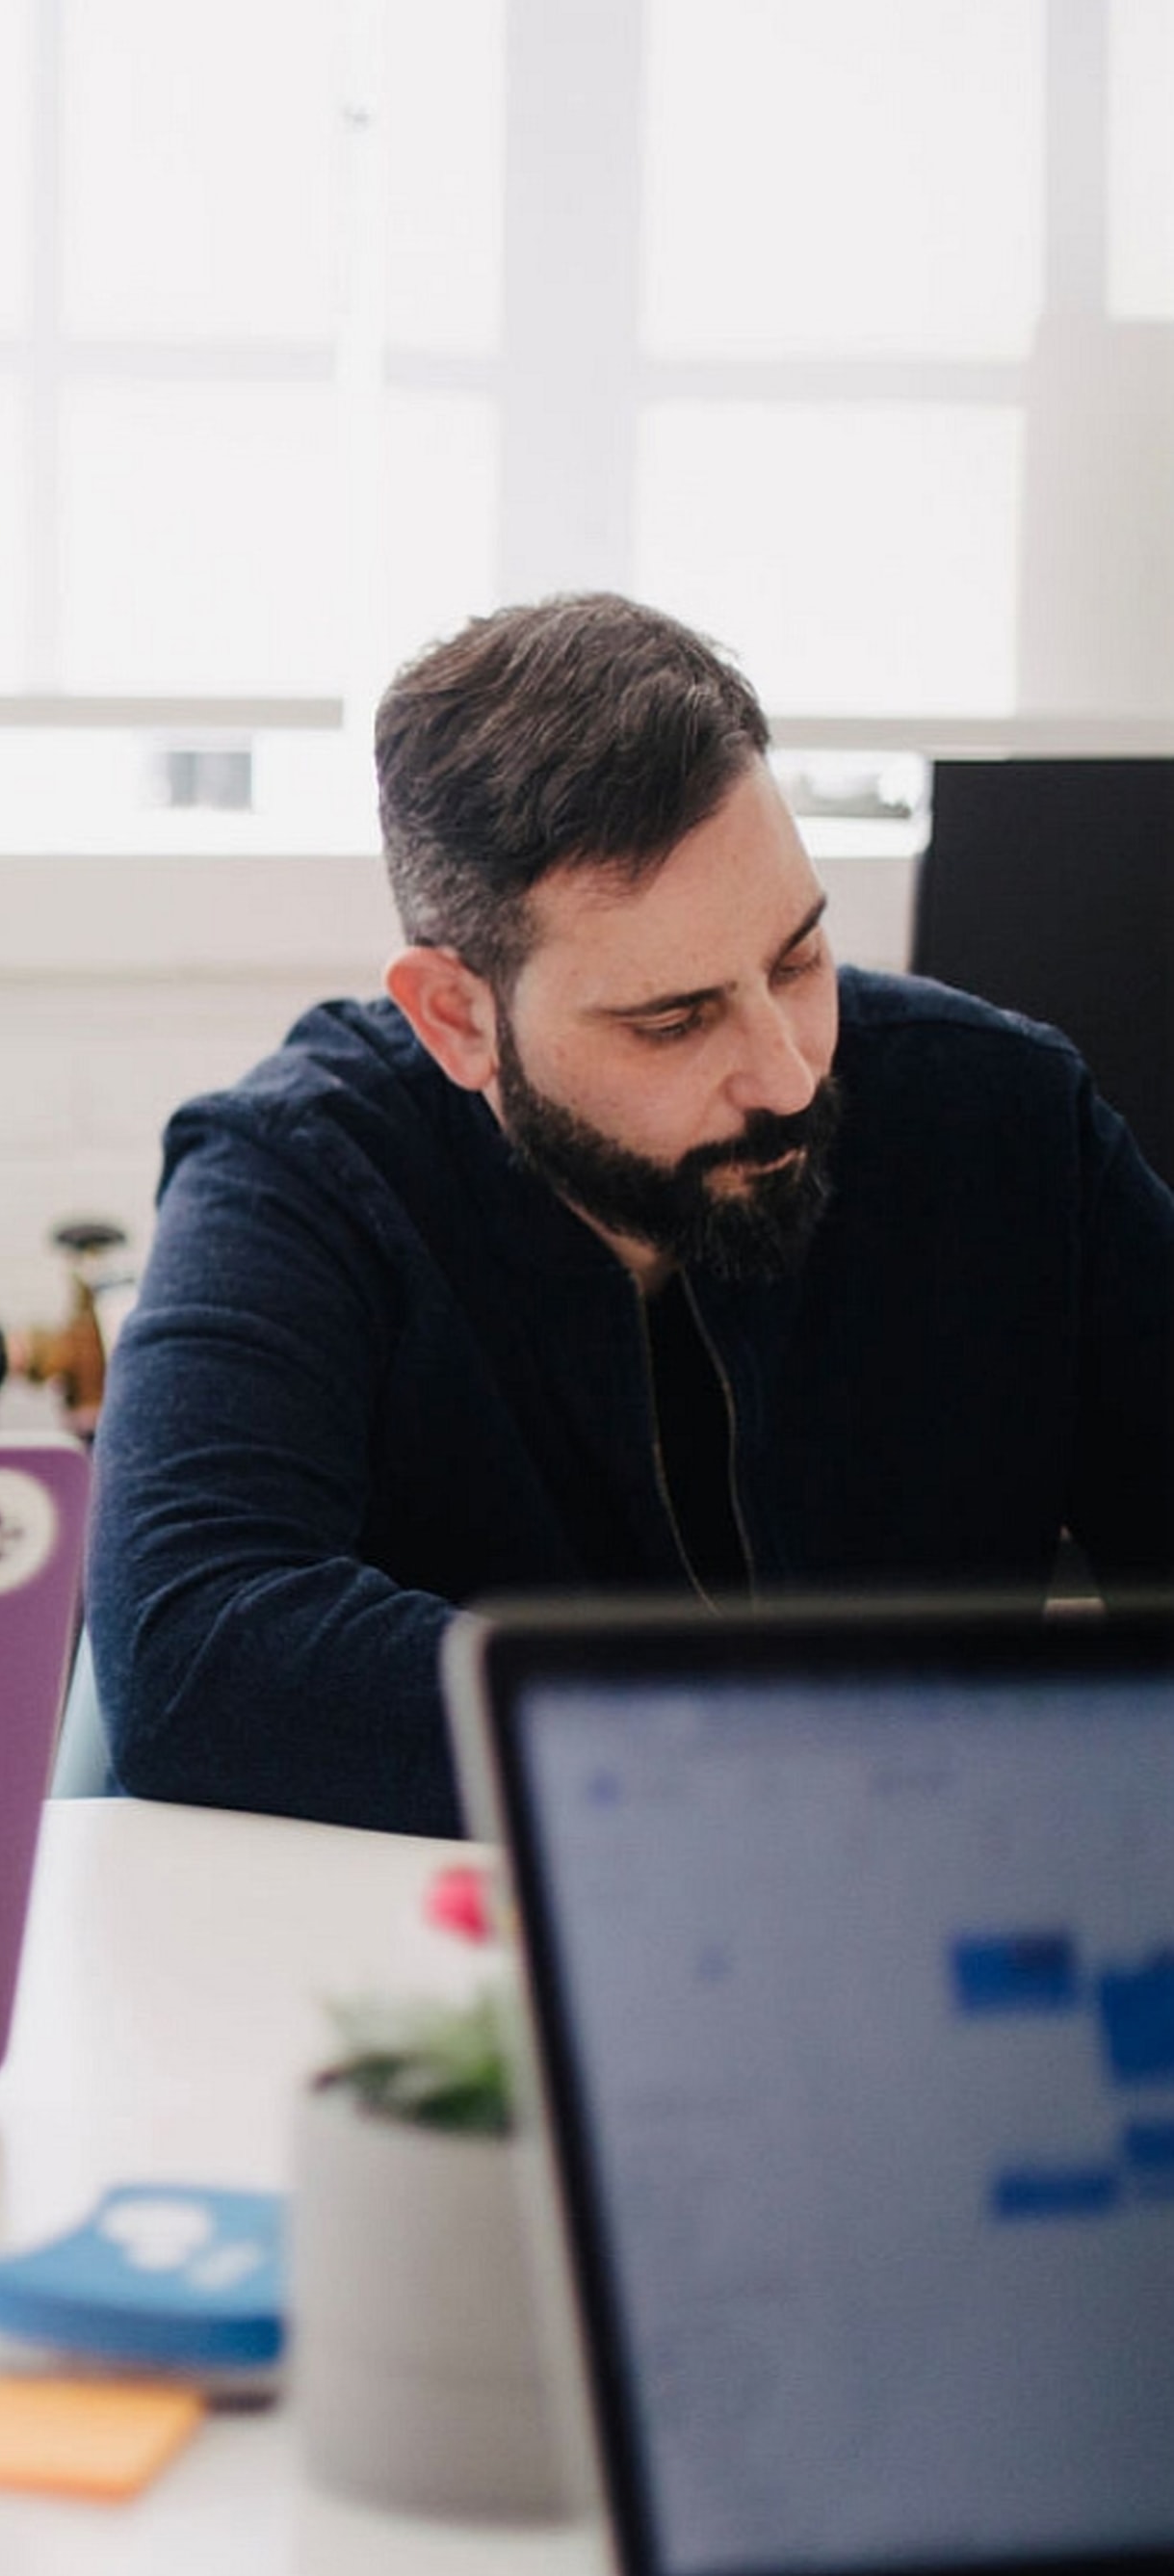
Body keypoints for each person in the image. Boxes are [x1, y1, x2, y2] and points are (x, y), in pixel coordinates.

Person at [90, 591, 1174, 1836]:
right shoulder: (302, 1172)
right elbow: (196, 1646)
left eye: (797, 958)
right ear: (456, 1016)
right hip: (479, 1967)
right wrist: (787, 1744)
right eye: (673, 1019)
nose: (787, 1073)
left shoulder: (1008, 1113)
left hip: (957, 1942)